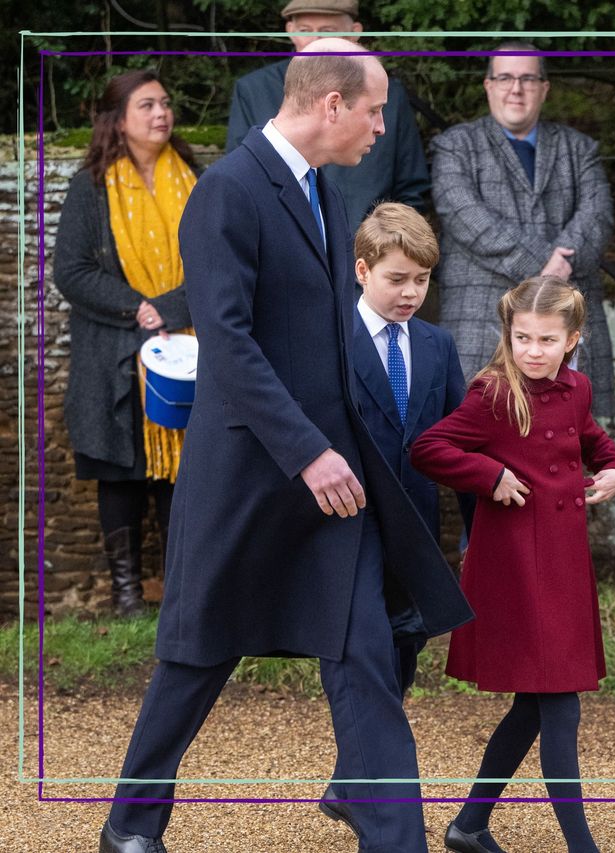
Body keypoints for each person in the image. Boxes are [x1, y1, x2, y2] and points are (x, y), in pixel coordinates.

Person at [98, 41, 472, 853]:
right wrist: (306, 450)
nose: (382, 126)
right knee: (199, 655)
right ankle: (129, 828)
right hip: (248, 475)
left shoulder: (325, 193)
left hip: (333, 480)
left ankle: (393, 838)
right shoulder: (227, 192)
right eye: (374, 110)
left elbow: (332, 341)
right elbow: (229, 344)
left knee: (366, 651)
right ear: (331, 105)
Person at [410, 276, 615, 853]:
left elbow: (596, 443)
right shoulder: (491, 393)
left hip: (564, 562)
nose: (533, 350)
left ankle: (469, 824)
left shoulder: (577, 389)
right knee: (560, 704)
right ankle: (583, 847)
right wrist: (491, 476)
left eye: (547, 340)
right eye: (523, 337)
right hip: (515, 566)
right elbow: (429, 447)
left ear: (572, 340)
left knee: (535, 703)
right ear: (508, 335)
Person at [54, 69, 198, 617]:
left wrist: (170, 307)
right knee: (121, 471)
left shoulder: (198, 180)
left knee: (181, 472)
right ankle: (126, 596)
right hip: (112, 351)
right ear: (117, 119)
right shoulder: (90, 186)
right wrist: (136, 306)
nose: (162, 113)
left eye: (165, 103)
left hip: (186, 346)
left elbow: (218, 260)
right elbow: (72, 269)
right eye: (147, 105)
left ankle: (180, 590)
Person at [430, 42, 615, 417]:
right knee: (483, 446)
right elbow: (466, 216)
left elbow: (598, 215)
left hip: (567, 324)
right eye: (505, 78)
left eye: (528, 78)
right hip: (482, 320)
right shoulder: (455, 146)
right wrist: (549, 265)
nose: (516, 88)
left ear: (544, 88)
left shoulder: (579, 148)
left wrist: (564, 261)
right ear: (488, 85)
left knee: (570, 440)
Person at [346, 201, 476, 695]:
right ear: (363, 270)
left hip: (417, 530)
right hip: (351, 526)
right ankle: (369, 765)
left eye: (421, 280)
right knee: (360, 656)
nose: (411, 293)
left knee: (404, 652)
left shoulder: (437, 345)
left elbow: (460, 442)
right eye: (397, 279)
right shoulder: (331, 339)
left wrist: (474, 534)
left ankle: (377, 765)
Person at [225, 0, 431, 227]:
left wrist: (385, 248)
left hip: (369, 250)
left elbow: (411, 190)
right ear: (291, 32)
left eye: (328, 32)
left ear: (355, 34)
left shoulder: (388, 95)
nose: (315, 41)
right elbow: (242, 178)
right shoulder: (254, 90)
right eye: (305, 31)